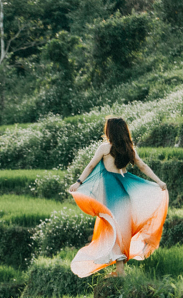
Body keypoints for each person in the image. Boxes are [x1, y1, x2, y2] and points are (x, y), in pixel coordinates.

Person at [67, 117, 168, 278]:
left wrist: (78, 182)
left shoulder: (105, 148)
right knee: (118, 230)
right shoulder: (129, 149)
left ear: (110, 131)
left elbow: (91, 165)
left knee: (114, 230)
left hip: (112, 196)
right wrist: (159, 181)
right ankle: (119, 269)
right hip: (124, 195)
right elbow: (142, 166)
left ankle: (119, 271)